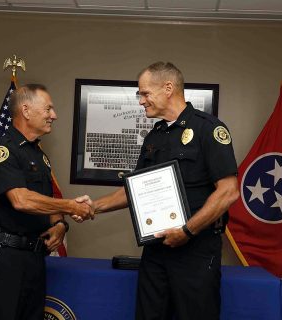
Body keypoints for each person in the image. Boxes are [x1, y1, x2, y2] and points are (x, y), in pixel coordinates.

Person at [80, 62, 239, 319]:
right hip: (157, 250)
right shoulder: (154, 136)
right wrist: (93, 206)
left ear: (168, 88)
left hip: (195, 250)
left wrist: (187, 231)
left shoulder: (208, 129)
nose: (141, 101)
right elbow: (136, 190)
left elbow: (229, 191)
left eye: (144, 93)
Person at [0, 84, 94, 320]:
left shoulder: (38, 155)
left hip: (35, 257)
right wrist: (71, 206)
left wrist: (60, 225)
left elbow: (47, 201)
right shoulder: (2, 151)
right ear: (26, 110)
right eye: (48, 108)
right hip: (6, 258)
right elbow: (21, 200)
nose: (54, 115)